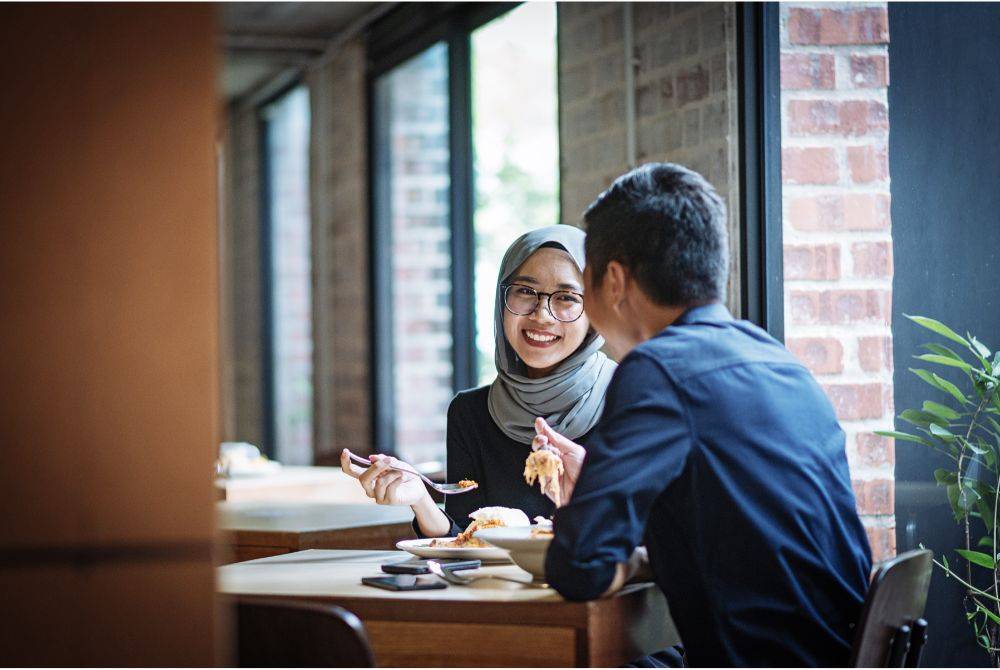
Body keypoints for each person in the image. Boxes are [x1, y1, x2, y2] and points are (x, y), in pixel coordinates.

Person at [534, 163, 872, 667]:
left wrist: (605, 540)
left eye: (583, 280)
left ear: (615, 280)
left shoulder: (658, 369)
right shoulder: (776, 360)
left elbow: (577, 567)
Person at [340, 225, 616, 538]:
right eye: (526, 291)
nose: (542, 315)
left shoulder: (630, 400)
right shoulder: (471, 413)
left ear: (594, 312)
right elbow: (465, 540)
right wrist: (420, 500)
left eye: (566, 297)